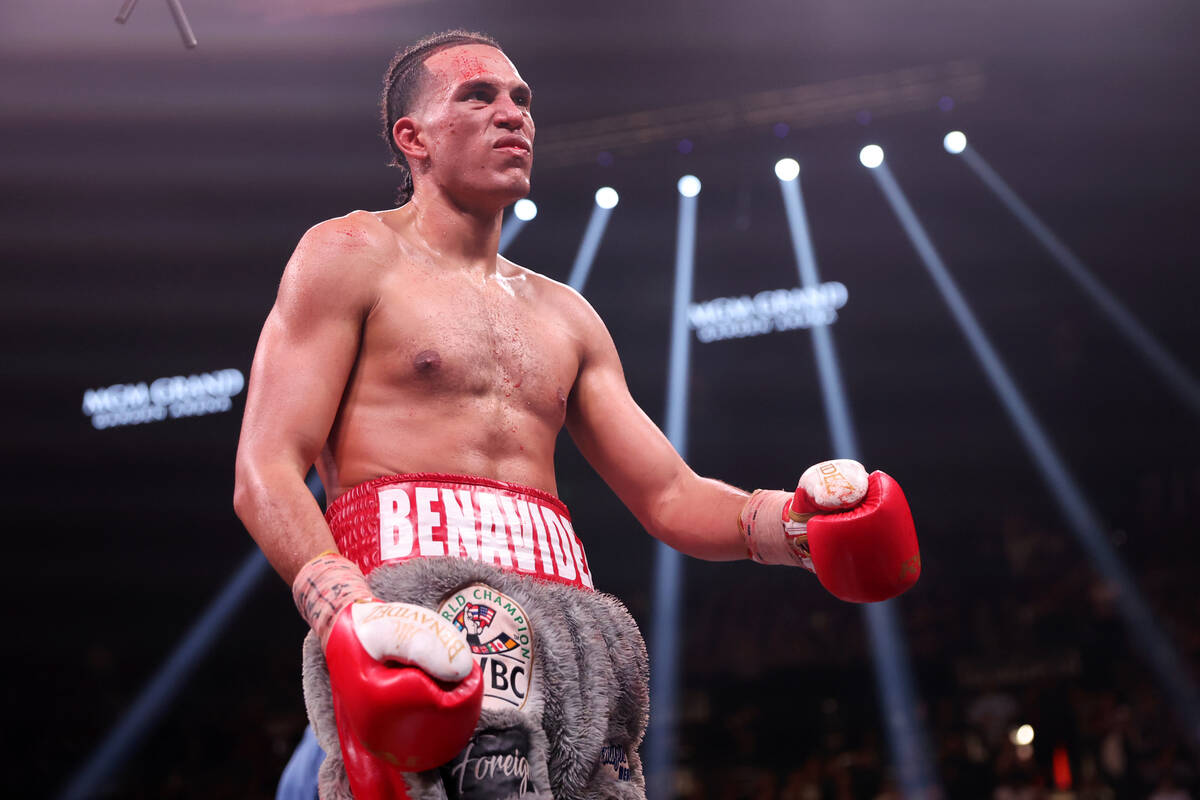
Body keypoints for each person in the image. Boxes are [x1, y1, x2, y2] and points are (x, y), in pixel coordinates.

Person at [234, 29, 919, 800]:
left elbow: (668, 495)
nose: (513, 114)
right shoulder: (350, 252)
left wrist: (797, 525)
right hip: (416, 610)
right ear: (412, 137)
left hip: (570, 638)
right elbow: (265, 468)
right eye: (479, 96)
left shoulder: (565, 314)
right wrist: (345, 612)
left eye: (522, 99)